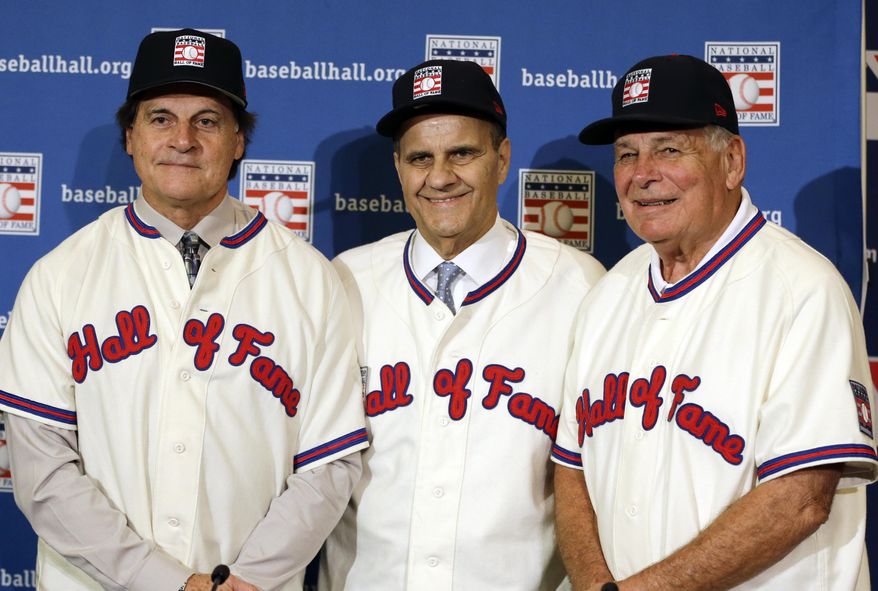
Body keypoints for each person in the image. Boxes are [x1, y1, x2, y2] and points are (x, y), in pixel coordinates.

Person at [0, 28, 367, 591]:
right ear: (131, 136)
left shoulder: (308, 278)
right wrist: (164, 582)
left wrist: (247, 579)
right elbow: (41, 468)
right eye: (161, 118)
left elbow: (329, 464)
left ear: (239, 140)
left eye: (208, 120)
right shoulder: (59, 276)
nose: (183, 140)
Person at [552, 54, 878, 590]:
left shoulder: (802, 290)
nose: (642, 175)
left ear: (732, 162)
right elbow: (571, 468)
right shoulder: (607, 294)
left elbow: (800, 502)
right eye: (626, 154)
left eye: (669, 149)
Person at [320, 59, 606, 590]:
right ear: (399, 168)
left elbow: (600, 473)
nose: (440, 177)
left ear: (501, 160)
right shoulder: (346, 281)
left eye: (463, 154)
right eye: (420, 158)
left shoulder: (579, 286)